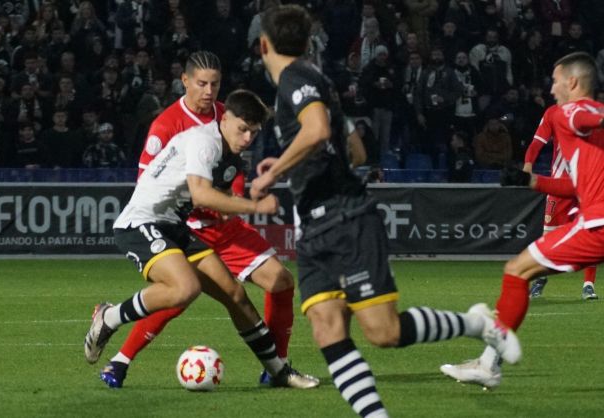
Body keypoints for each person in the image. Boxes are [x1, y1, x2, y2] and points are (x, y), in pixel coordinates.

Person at [251, 6, 519, 417]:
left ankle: (477, 324)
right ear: (306, 43)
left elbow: (318, 129)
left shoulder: (295, 77)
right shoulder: (314, 79)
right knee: (326, 327)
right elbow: (350, 144)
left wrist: (276, 169)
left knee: (384, 332)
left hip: (344, 217)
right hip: (315, 227)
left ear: (263, 44)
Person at [99, 51, 317, 389]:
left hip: (223, 225)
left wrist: (235, 201)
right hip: (185, 223)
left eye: (214, 84)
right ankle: (120, 359)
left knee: (278, 282)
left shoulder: (226, 116)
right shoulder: (166, 126)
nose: (208, 90)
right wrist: (240, 205)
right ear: (184, 81)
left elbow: (233, 170)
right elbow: (151, 183)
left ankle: (277, 368)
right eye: (201, 83)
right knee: (180, 293)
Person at [440, 52, 604, 389]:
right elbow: (575, 186)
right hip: (592, 219)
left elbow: (588, 113)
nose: (552, 88)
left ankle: (489, 365)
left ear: (572, 82)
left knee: (517, 270)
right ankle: (488, 363)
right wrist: (529, 181)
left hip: (598, 225)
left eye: (556, 81)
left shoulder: (570, 113)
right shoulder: (585, 135)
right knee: (520, 270)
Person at [523, 105, 598, 300]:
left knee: (593, 232)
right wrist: (528, 164)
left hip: (588, 184)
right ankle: (541, 278)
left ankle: (588, 285)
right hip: (560, 184)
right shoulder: (553, 113)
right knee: (549, 236)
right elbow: (537, 142)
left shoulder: (593, 115)